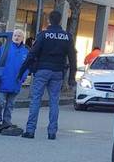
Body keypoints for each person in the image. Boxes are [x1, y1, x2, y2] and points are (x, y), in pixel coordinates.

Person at [17, 10, 76, 140]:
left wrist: (21, 72)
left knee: (36, 100)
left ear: (49, 20)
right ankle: (52, 132)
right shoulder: (67, 36)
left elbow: (32, 54)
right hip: (58, 72)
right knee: (54, 101)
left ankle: (30, 130)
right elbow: (72, 57)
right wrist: (72, 76)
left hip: (42, 70)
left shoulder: (43, 35)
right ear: (60, 21)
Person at [0, 29, 29, 134]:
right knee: (0, 102)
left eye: (19, 36)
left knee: (10, 104)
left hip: (16, 82)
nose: (17, 37)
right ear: (12, 37)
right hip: (3, 81)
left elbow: (27, 67)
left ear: (22, 38)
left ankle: (7, 122)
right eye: (15, 35)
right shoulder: (4, 49)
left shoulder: (25, 52)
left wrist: (22, 78)